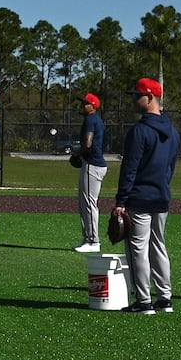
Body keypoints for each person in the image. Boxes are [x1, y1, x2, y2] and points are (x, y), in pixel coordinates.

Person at [111, 78, 181, 314]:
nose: (134, 99)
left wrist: (121, 200)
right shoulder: (172, 131)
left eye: (138, 95)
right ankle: (165, 298)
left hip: (140, 196)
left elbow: (130, 168)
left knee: (138, 248)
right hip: (161, 195)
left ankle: (143, 301)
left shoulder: (139, 131)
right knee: (158, 246)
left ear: (150, 98)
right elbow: (171, 166)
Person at [73, 93, 108, 252]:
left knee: (88, 203)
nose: (82, 106)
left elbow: (88, 144)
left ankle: (93, 241)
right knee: (86, 203)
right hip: (94, 164)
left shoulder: (91, 120)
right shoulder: (95, 120)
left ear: (93, 106)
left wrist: (77, 153)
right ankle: (89, 238)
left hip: (93, 164)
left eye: (85, 103)